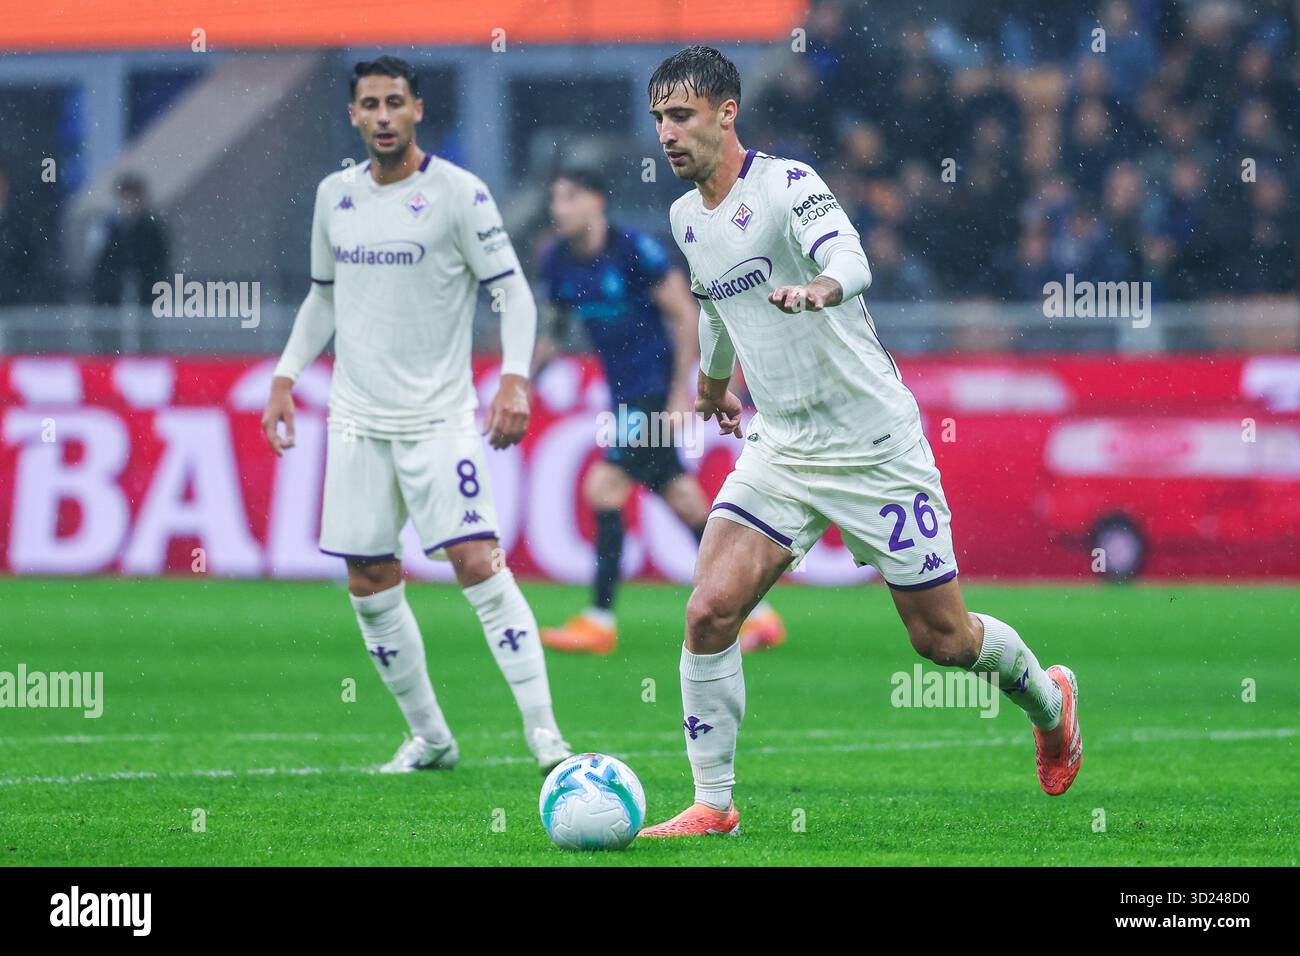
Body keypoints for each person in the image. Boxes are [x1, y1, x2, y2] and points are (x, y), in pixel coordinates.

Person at [637, 47, 1082, 838]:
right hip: (783, 444)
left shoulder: (786, 185)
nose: (667, 134)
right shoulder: (683, 218)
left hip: (874, 445)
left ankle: (1049, 703)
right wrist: (712, 383)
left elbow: (852, 256)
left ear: (726, 113)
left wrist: (822, 286)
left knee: (943, 642)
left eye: (681, 116)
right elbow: (713, 302)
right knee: (709, 610)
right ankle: (714, 803)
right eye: (659, 120)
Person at [261, 56, 571, 774]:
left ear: (417, 110)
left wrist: (515, 380)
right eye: (369, 104)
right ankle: (431, 737)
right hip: (356, 421)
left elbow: (514, 295)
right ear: (353, 116)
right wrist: (284, 377)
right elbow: (323, 298)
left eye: (394, 102)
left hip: (439, 418)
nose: (382, 116)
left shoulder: (459, 194)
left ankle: (544, 736)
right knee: (368, 578)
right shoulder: (334, 196)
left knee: (477, 560)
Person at [535, 168, 784, 655]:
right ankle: (759, 614)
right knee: (684, 501)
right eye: (554, 199)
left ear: (596, 201)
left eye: (568, 196)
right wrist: (521, 384)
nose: (558, 208)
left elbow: (685, 313)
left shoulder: (634, 251)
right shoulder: (558, 261)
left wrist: (679, 393)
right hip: (621, 394)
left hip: (651, 392)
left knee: (603, 489)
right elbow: (553, 331)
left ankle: (599, 621)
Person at [90, 173, 168, 306]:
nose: (131, 204)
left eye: (135, 198)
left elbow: (158, 263)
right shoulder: (108, 227)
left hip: (146, 297)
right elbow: (101, 263)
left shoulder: (152, 229)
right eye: (127, 198)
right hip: (111, 298)